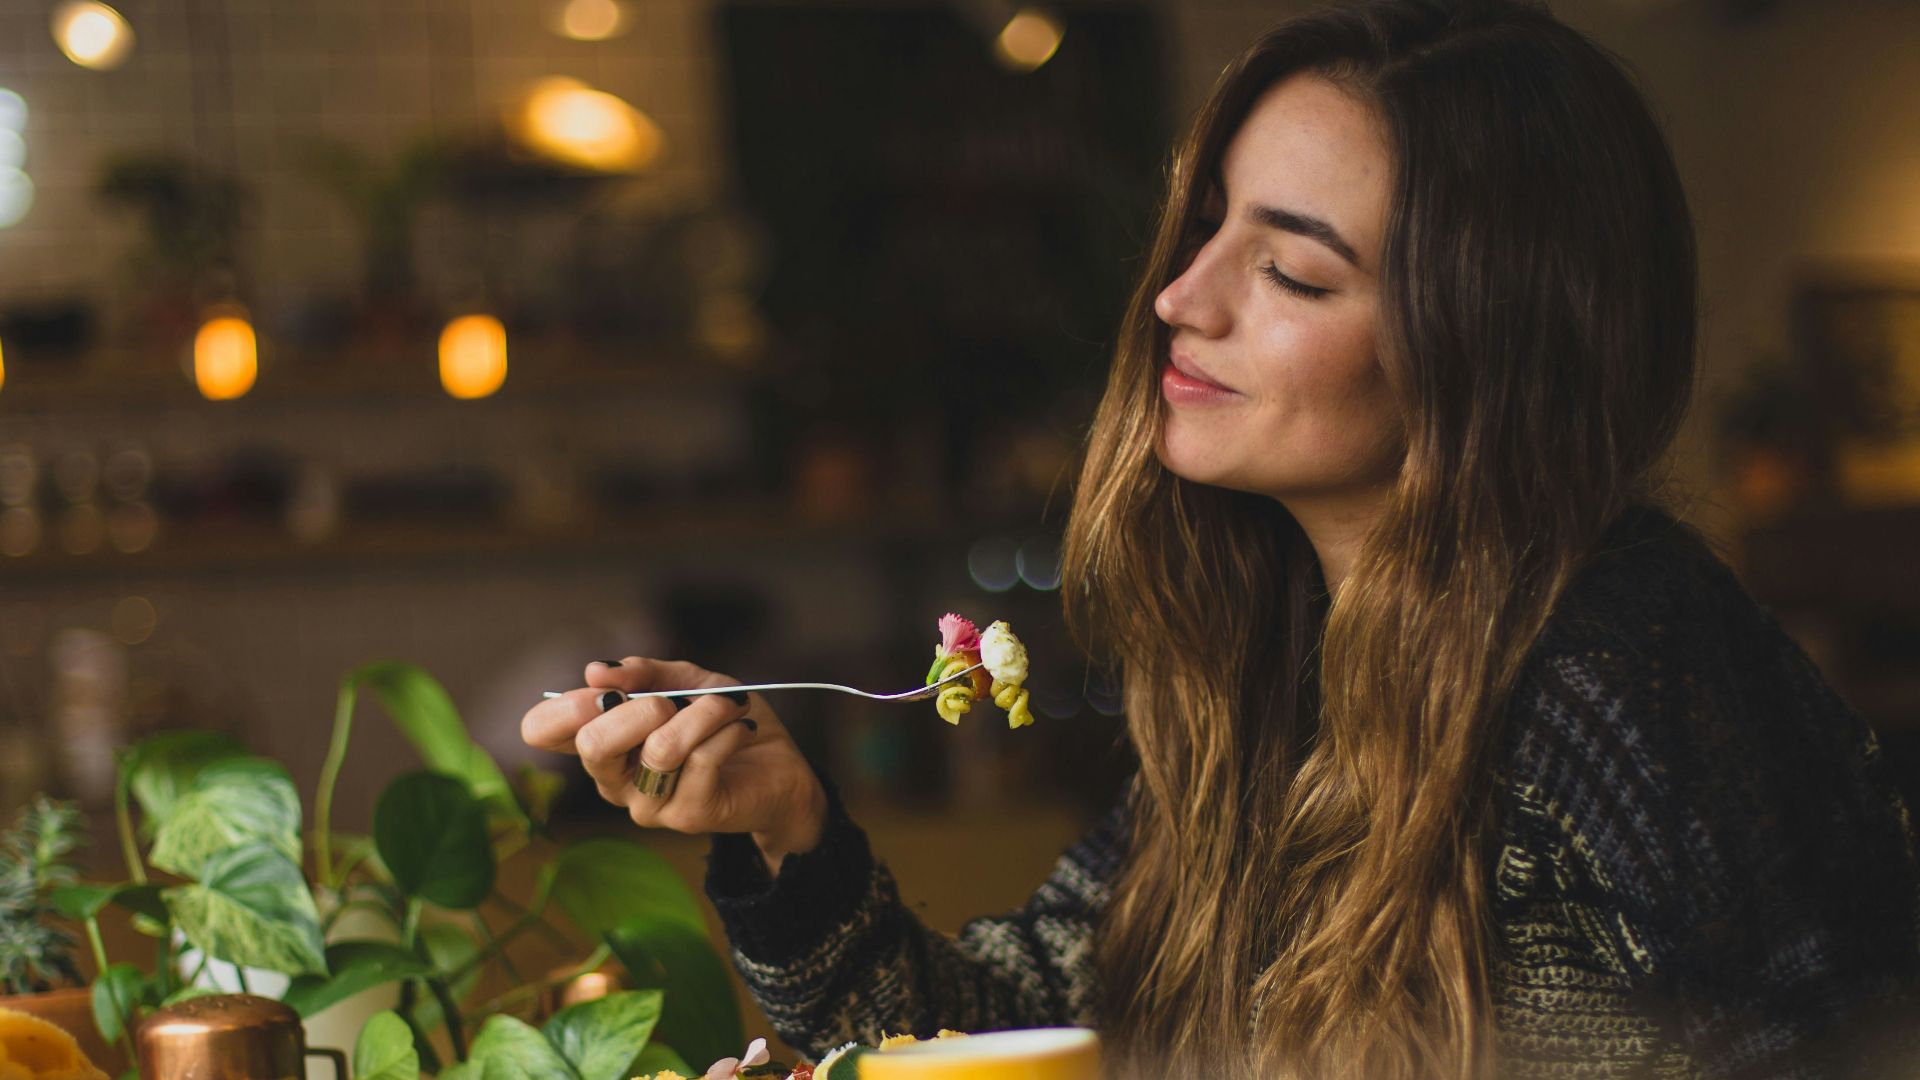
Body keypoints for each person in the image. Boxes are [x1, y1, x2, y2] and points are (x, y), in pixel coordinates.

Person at [519, 0, 1920, 1075]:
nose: (1180, 298)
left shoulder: (1626, 673)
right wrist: (786, 826)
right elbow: (1025, 1031)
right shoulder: (1279, 669)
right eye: (1205, 232)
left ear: (1489, 347)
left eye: (1291, 271)